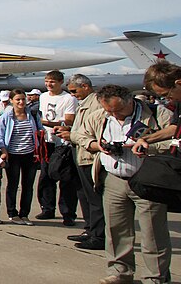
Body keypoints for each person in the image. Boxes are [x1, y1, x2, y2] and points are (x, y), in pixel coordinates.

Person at [77, 84, 172, 284]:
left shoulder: (156, 114)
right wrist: (96, 145)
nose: (114, 115)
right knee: (116, 230)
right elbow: (79, 134)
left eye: (118, 110)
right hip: (114, 179)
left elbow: (173, 141)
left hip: (148, 180)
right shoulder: (100, 116)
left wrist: (148, 146)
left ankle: (155, 276)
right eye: (109, 111)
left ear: (130, 101)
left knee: (153, 233)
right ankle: (120, 272)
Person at [66, 74, 106, 250]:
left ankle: (98, 235)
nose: (73, 95)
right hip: (81, 154)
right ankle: (90, 229)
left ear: (85, 86)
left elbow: (92, 132)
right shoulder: (84, 103)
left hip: (90, 156)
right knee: (85, 195)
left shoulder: (96, 103)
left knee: (95, 197)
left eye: (74, 91)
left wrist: (71, 135)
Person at [36, 70, 79, 224]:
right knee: (46, 177)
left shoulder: (68, 98)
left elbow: (69, 120)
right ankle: (47, 208)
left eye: (52, 82)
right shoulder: (43, 96)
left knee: (66, 178)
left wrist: (47, 123)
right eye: (47, 81)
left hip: (63, 143)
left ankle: (68, 213)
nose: (49, 84)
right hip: (47, 142)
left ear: (61, 82)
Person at [0, 89, 41, 226]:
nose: (21, 102)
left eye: (23, 99)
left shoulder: (32, 115)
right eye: (18, 99)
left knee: (28, 186)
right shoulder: (6, 117)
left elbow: (40, 130)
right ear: (11, 100)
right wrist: (4, 151)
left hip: (30, 154)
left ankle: (24, 214)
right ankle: (12, 213)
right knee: (13, 185)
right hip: (13, 155)